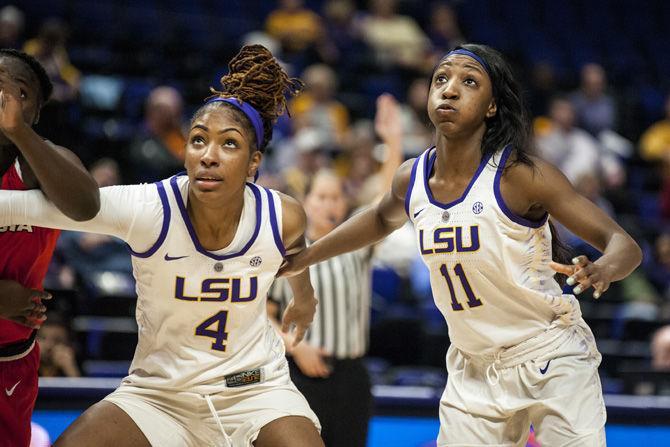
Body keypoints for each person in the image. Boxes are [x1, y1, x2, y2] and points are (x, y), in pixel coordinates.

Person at [281, 44, 643, 446]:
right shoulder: (412, 178)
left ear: (491, 107)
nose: (450, 90)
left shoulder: (519, 175)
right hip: (473, 367)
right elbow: (380, 218)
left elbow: (623, 244)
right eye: (441, 79)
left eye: (468, 81)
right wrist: (308, 255)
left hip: (549, 355)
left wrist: (605, 268)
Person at [0, 44, 323, 447]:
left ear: (254, 161)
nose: (208, 155)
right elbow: (25, 206)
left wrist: (304, 297)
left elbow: (296, 246)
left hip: (255, 388)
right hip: (159, 395)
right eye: (198, 140)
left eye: (229, 144)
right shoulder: (149, 208)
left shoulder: (283, 214)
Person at [268, 94, 402, 447]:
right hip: (298, 371)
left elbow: (388, 199)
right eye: (321, 197)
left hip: (352, 374)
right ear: (306, 202)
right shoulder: (287, 253)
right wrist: (294, 348)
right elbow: (260, 315)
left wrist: (393, 141)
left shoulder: (356, 246)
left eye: (335, 197)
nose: (329, 204)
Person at [0, 48, 99, 447]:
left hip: (11, 356)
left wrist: (18, 131)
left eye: (15, 91)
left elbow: (86, 206)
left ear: (31, 107)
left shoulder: (46, 163)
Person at [37, 312, 80, 378]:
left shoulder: (78, 364)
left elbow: (80, 387)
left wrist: (70, 370)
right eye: (43, 338)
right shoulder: (24, 363)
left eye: (57, 340)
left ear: (69, 345)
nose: (49, 346)